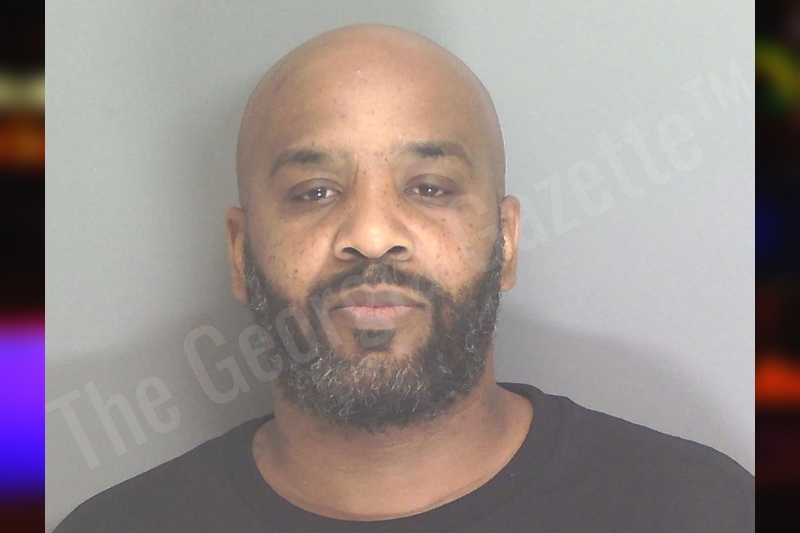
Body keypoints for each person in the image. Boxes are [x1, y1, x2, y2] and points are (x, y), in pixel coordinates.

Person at [54, 24, 754, 532]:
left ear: (505, 240)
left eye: (429, 188)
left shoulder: (698, 510)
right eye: (315, 192)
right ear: (240, 254)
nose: (370, 234)